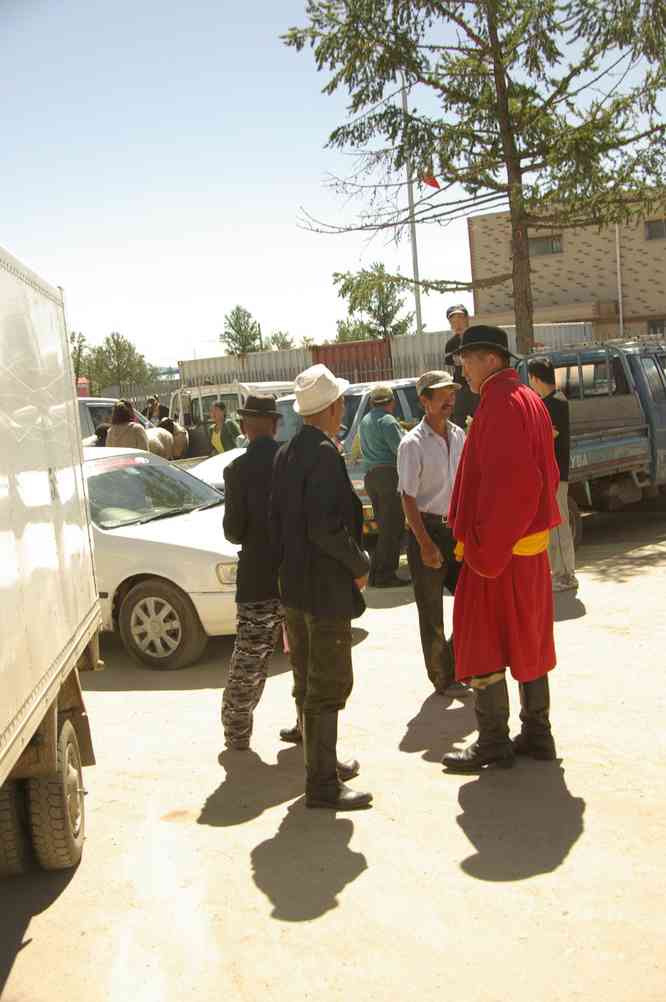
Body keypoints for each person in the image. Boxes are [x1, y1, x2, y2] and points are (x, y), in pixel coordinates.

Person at [442, 326, 561, 773]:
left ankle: (493, 740)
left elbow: (515, 488)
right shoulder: (525, 396)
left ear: (490, 359)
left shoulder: (502, 402)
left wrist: (484, 551)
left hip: (502, 551)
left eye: (466, 360)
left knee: (482, 637)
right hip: (526, 549)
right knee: (528, 637)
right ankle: (537, 732)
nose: (462, 371)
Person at [271, 363, 372, 811]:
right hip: (323, 589)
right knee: (327, 683)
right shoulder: (324, 455)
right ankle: (323, 783)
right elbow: (326, 527)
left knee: (309, 680)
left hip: (295, 588)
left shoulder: (288, 452)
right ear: (332, 408)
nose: (344, 408)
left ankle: (323, 767)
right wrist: (360, 563)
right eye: (342, 403)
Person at [397, 371, 467, 697]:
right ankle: (442, 676)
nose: (449, 401)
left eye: (451, 394)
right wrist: (425, 543)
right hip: (427, 530)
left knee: (472, 600)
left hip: (457, 530)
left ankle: (455, 662)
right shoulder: (412, 444)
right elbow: (407, 499)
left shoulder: (459, 435)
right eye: (441, 395)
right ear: (424, 401)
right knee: (432, 611)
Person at [221, 396, 284, 750]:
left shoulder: (236, 471)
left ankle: (237, 733)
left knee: (248, 661)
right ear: (275, 425)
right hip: (296, 577)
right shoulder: (292, 462)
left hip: (257, 578)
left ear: (244, 428)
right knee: (304, 659)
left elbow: (233, 531)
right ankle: (308, 727)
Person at [528, 358, 579, 593]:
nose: (530, 384)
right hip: (548, 475)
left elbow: (550, 434)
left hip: (556, 474)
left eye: (530, 379)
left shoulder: (555, 402)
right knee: (553, 526)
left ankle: (566, 575)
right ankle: (558, 572)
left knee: (559, 526)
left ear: (536, 378)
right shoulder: (547, 402)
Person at [359, 385, 406, 588]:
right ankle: (386, 574)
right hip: (388, 477)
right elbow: (401, 449)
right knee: (393, 527)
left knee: (385, 527)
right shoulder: (387, 420)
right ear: (392, 403)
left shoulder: (366, 420)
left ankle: (378, 572)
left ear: (371, 403)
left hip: (372, 478)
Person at [445, 305, 480, 430]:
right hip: (461, 386)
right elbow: (451, 362)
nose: (457, 324)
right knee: (456, 423)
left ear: (467, 320)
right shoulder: (451, 344)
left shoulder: (477, 338)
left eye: (460, 319)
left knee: (483, 420)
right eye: (453, 321)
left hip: (479, 385)